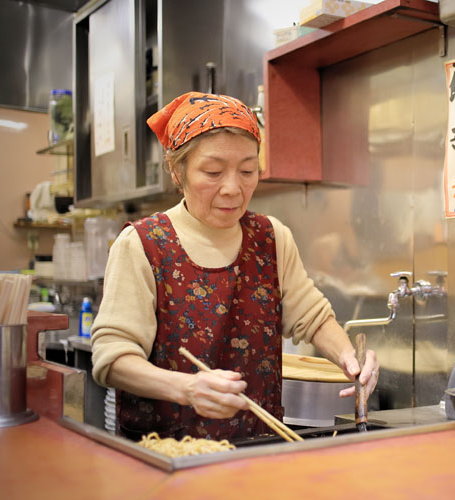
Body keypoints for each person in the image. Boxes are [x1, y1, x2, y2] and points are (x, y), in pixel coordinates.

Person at [91, 92, 379, 441]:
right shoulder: (143, 245)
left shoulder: (271, 238)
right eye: (213, 172)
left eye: (247, 171)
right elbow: (113, 358)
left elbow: (314, 319)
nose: (233, 189)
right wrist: (187, 388)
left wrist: (349, 359)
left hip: (259, 449)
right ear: (176, 170)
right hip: (166, 456)